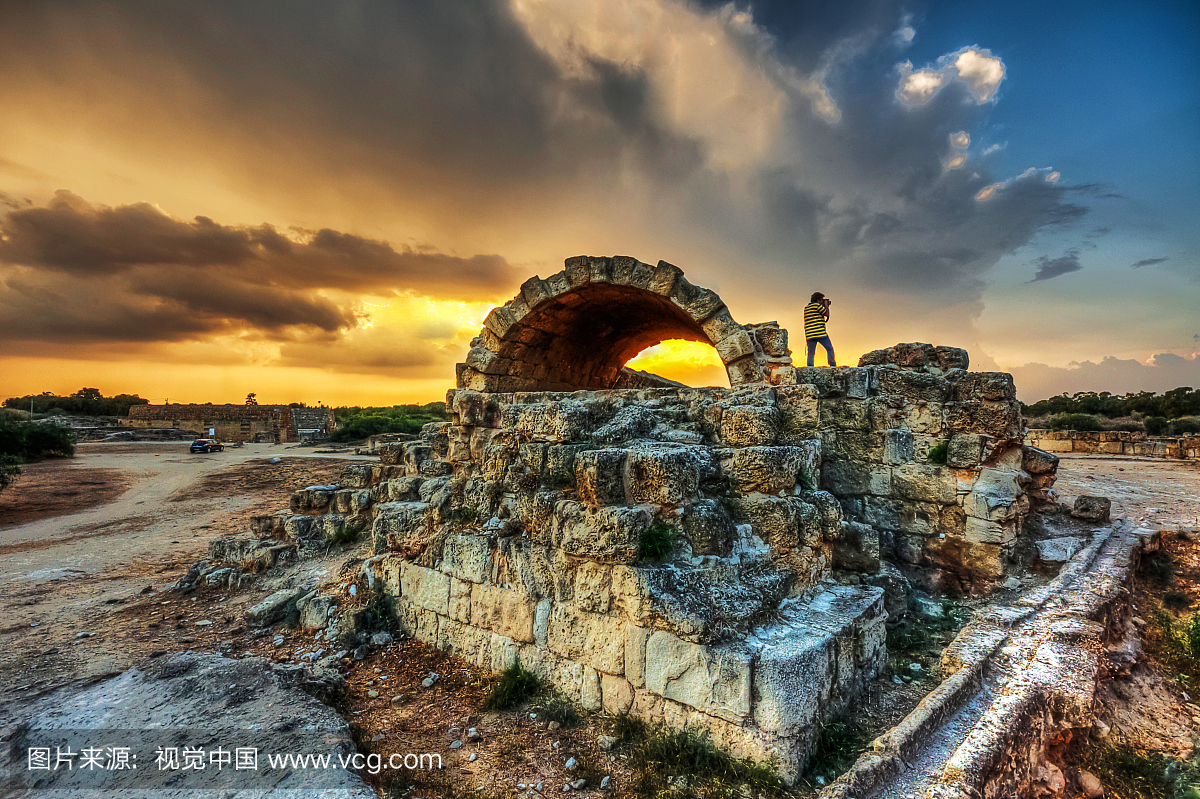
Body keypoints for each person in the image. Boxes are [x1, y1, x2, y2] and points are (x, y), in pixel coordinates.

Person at [803, 292, 836, 367]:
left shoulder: (806, 308)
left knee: (811, 352)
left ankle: (810, 367)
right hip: (820, 333)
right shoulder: (817, 306)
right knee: (829, 348)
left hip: (810, 334)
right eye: (822, 300)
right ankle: (832, 365)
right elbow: (827, 314)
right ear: (818, 300)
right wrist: (826, 306)